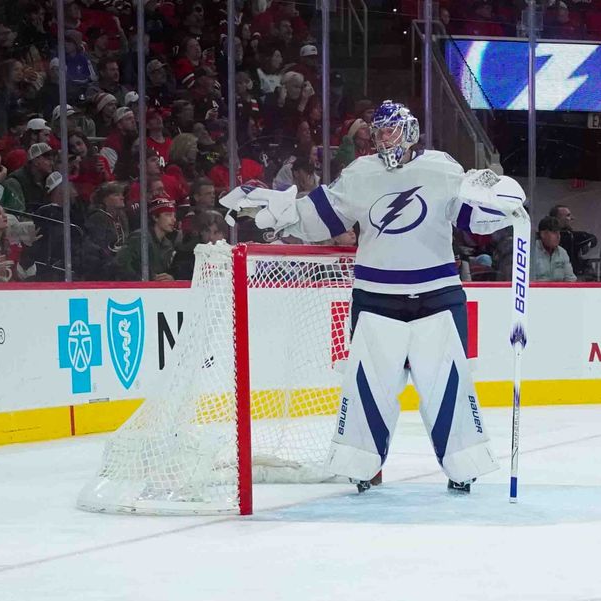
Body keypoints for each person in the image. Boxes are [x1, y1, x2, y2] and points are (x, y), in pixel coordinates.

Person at [220, 100, 528, 493]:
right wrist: (275, 212)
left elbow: (471, 218)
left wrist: (501, 204)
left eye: (390, 130)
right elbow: (323, 214)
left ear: (410, 130)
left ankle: (462, 465)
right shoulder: (361, 173)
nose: (383, 138)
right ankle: (362, 466)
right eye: (378, 131)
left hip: (438, 293)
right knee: (367, 384)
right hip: (376, 295)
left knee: (448, 381)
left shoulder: (442, 168)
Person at [116, 195, 177, 281]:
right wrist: (145, 281)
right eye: (168, 215)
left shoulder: (168, 244)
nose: (173, 219)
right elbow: (122, 265)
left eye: (174, 216)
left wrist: (170, 278)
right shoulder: (139, 238)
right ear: (155, 217)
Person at [549, 204, 597, 277]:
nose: (572, 218)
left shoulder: (574, 236)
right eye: (568, 216)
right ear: (557, 219)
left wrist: (588, 244)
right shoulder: (545, 238)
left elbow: (593, 239)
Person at [531, 216, 577, 282]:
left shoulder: (562, 252)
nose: (558, 236)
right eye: (554, 233)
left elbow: (570, 279)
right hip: (536, 291)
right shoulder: (531, 251)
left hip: (559, 291)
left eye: (559, 233)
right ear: (543, 234)